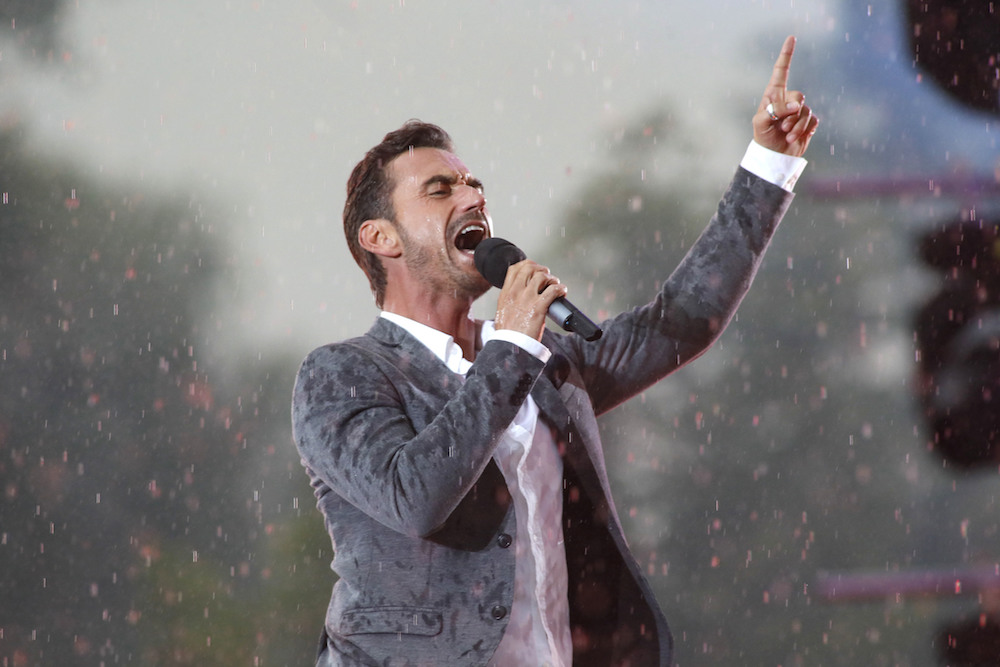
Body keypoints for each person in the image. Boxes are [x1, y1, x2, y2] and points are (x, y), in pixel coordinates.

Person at [292, 35, 818, 667]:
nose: (471, 196)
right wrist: (512, 345)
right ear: (380, 237)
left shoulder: (548, 365)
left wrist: (769, 165)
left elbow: (681, 323)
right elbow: (417, 498)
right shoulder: (341, 375)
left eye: (472, 183)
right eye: (439, 189)